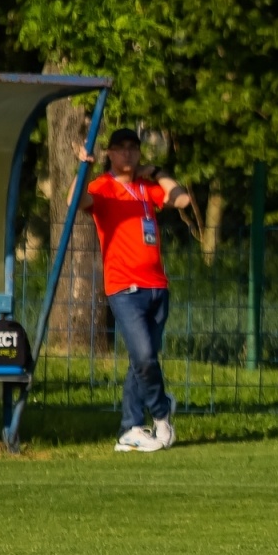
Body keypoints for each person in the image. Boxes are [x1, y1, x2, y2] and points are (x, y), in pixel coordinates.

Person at [80, 129, 191, 453]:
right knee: (143, 356)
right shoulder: (103, 187)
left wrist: (157, 172)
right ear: (110, 154)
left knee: (140, 362)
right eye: (120, 149)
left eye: (133, 149)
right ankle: (160, 414)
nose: (128, 154)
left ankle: (130, 427)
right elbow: (76, 200)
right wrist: (83, 167)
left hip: (157, 286)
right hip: (124, 287)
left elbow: (181, 198)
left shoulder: (145, 187)